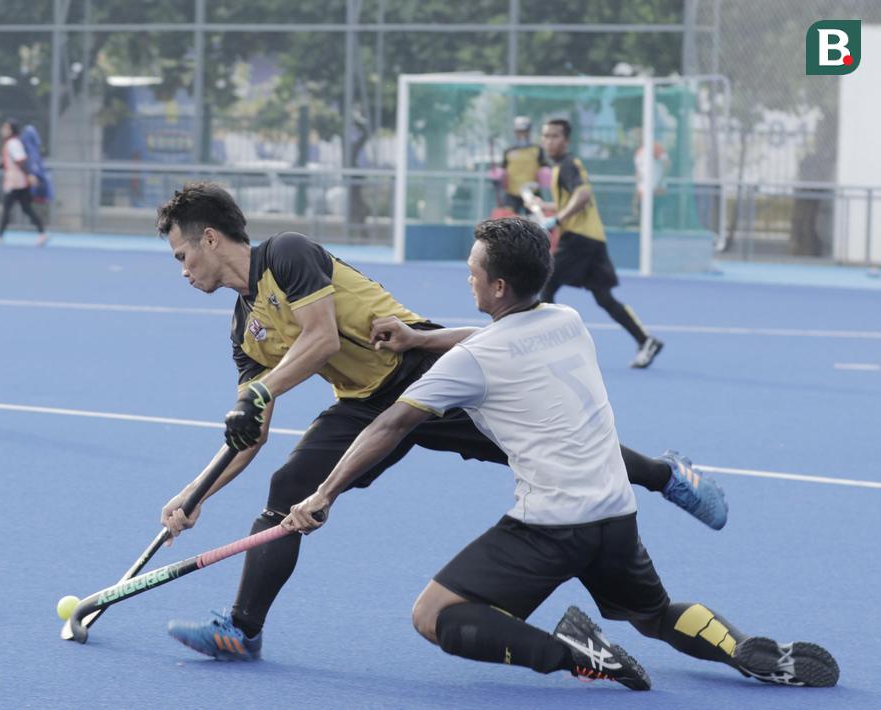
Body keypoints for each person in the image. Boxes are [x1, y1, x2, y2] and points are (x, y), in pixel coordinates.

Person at [154, 182, 726, 662]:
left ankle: (665, 475)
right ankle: (242, 629)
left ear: (210, 238)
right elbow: (249, 426)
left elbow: (320, 335)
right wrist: (197, 492)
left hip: (424, 364)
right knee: (287, 490)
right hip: (364, 401)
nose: (182, 270)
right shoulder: (244, 327)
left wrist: (259, 387)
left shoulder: (287, 253)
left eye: (183, 255)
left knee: (537, 446)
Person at [282, 217, 838, 690]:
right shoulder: (566, 322)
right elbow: (488, 337)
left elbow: (390, 424)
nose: (468, 277)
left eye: (473, 271)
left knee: (434, 616)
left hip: (550, 527)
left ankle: (575, 653)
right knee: (652, 615)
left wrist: (324, 494)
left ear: (497, 287)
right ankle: (739, 649)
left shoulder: (472, 362)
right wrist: (419, 338)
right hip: (616, 515)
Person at [525, 119, 663, 369]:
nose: (548, 141)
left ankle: (550, 350)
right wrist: (546, 207)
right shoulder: (559, 169)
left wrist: (557, 219)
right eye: (545, 136)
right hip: (592, 239)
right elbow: (574, 202)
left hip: (579, 239)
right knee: (603, 297)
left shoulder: (569, 164)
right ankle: (646, 341)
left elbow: (584, 194)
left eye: (554, 136)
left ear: (566, 140)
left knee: (546, 282)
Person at [0, 119, 47, 247]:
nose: (2, 130)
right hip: (17, 181)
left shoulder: (13, 143)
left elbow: (20, 161)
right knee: (26, 209)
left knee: (8, 209)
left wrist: (29, 175)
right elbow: (6, 163)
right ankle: (42, 233)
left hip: (16, 182)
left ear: (11, 130)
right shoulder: (10, 143)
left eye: (5, 127)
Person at [495, 116, 544, 215]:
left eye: (524, 131)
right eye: (519, 131)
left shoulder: (537, 150)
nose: (522, 134)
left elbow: (544, 167)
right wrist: (498, 176)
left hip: (531, 193)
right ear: (515, 133)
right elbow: (502, 169)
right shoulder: (509, 151)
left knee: (534, 224)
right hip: (512, 193)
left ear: (529, 132)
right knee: (508, 224)